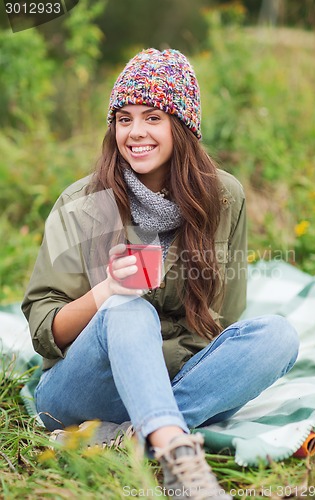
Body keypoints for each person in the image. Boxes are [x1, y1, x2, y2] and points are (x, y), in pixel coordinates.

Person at [22, 48, 299, 499]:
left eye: (153, 117)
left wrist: (156, 368)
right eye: (123, 118)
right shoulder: (81, 205)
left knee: (279, 336)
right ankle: (178, 459)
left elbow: (222, 321)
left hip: (174, 381)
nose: (135, 133)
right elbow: (42, 329)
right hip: (82, 390)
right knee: (128, 309)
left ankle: (134, 434)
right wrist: (107, 292)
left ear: (182, 126)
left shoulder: (223, 198)